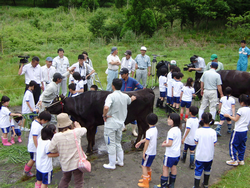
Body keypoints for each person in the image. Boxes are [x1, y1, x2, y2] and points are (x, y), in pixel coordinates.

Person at [102, 78, 136, 169]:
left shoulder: (111, 96)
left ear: (113, 86)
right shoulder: (125, 96)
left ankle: (112, 164)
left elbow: (106, 108)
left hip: (111, 123)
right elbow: (129, 101)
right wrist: (132, 98)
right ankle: (120, 161)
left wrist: (104, 115)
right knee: (117, 142)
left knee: (111, 143)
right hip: (121, 123)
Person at [48, 113, 87, 188]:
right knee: (79, 182)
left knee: (66, 179)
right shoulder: (76, 132)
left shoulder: (57, 136)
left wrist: (58, 149)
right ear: (69, 123)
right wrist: (78, 126)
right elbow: (84, 130)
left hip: (65, 163)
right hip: (77, 163)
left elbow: (51, 149)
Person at [153, 113, 181, 188]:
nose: (168, 120)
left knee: (165, 168)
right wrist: (167, 141)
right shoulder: (178, 130)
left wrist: (164, 144)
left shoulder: (171, 131)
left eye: (169, 119)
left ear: (174, 121)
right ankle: (172, 184)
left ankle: (163, 186)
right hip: (177, 154)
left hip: (170, 154)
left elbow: (170, 144)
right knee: (174, 167)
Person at [224, 94, 250, 166]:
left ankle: (234, 159)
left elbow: (235, 119)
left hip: (238, 130)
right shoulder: (249, 109)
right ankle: (241, 160)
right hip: (245, 130)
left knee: (233, 144)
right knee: (242, 145)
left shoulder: (240, 110)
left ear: (242, 102)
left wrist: (228, 116)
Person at [24, 111, 51, 177]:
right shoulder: (37, 126)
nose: (45, 123)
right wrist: (38, 147)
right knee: (33, 159)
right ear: (43, 119)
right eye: (46, 121)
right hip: (34, 147)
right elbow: (34, 137)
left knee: (35, 158)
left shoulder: (36, 122)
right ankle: (26, 171)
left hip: (35, 146)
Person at [193, 112, 217, 188]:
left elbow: (196, 141)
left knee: (198, 170)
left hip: (200, 155)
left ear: (202, 119)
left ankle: (196, 185)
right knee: (207, 169)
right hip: (209, 155)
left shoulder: (198, 131)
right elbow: (214, 143)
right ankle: (206, 184)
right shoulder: (213, 132)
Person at [135, 113, 158, 188]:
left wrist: (144, 152)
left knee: (143, 166)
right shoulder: (155, 129)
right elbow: (148, 139)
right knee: (148, 165)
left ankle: (145, 183)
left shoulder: (148, 131)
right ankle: (148, 178)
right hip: (153, 152)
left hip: (149, 152)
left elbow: (147, 143)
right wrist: (141, 141)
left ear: (147, 121)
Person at [119, 67, 142, 137]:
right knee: (121, 114)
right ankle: (124, 126)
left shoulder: (132, 80)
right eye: (121, 74)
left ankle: (133, 130)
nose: (121, 75)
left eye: (122, 74)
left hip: (130, 101)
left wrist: (133, 92)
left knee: (132, 115)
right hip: (122, 100)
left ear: (126, 74)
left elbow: (140, 87)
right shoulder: (120, 81)